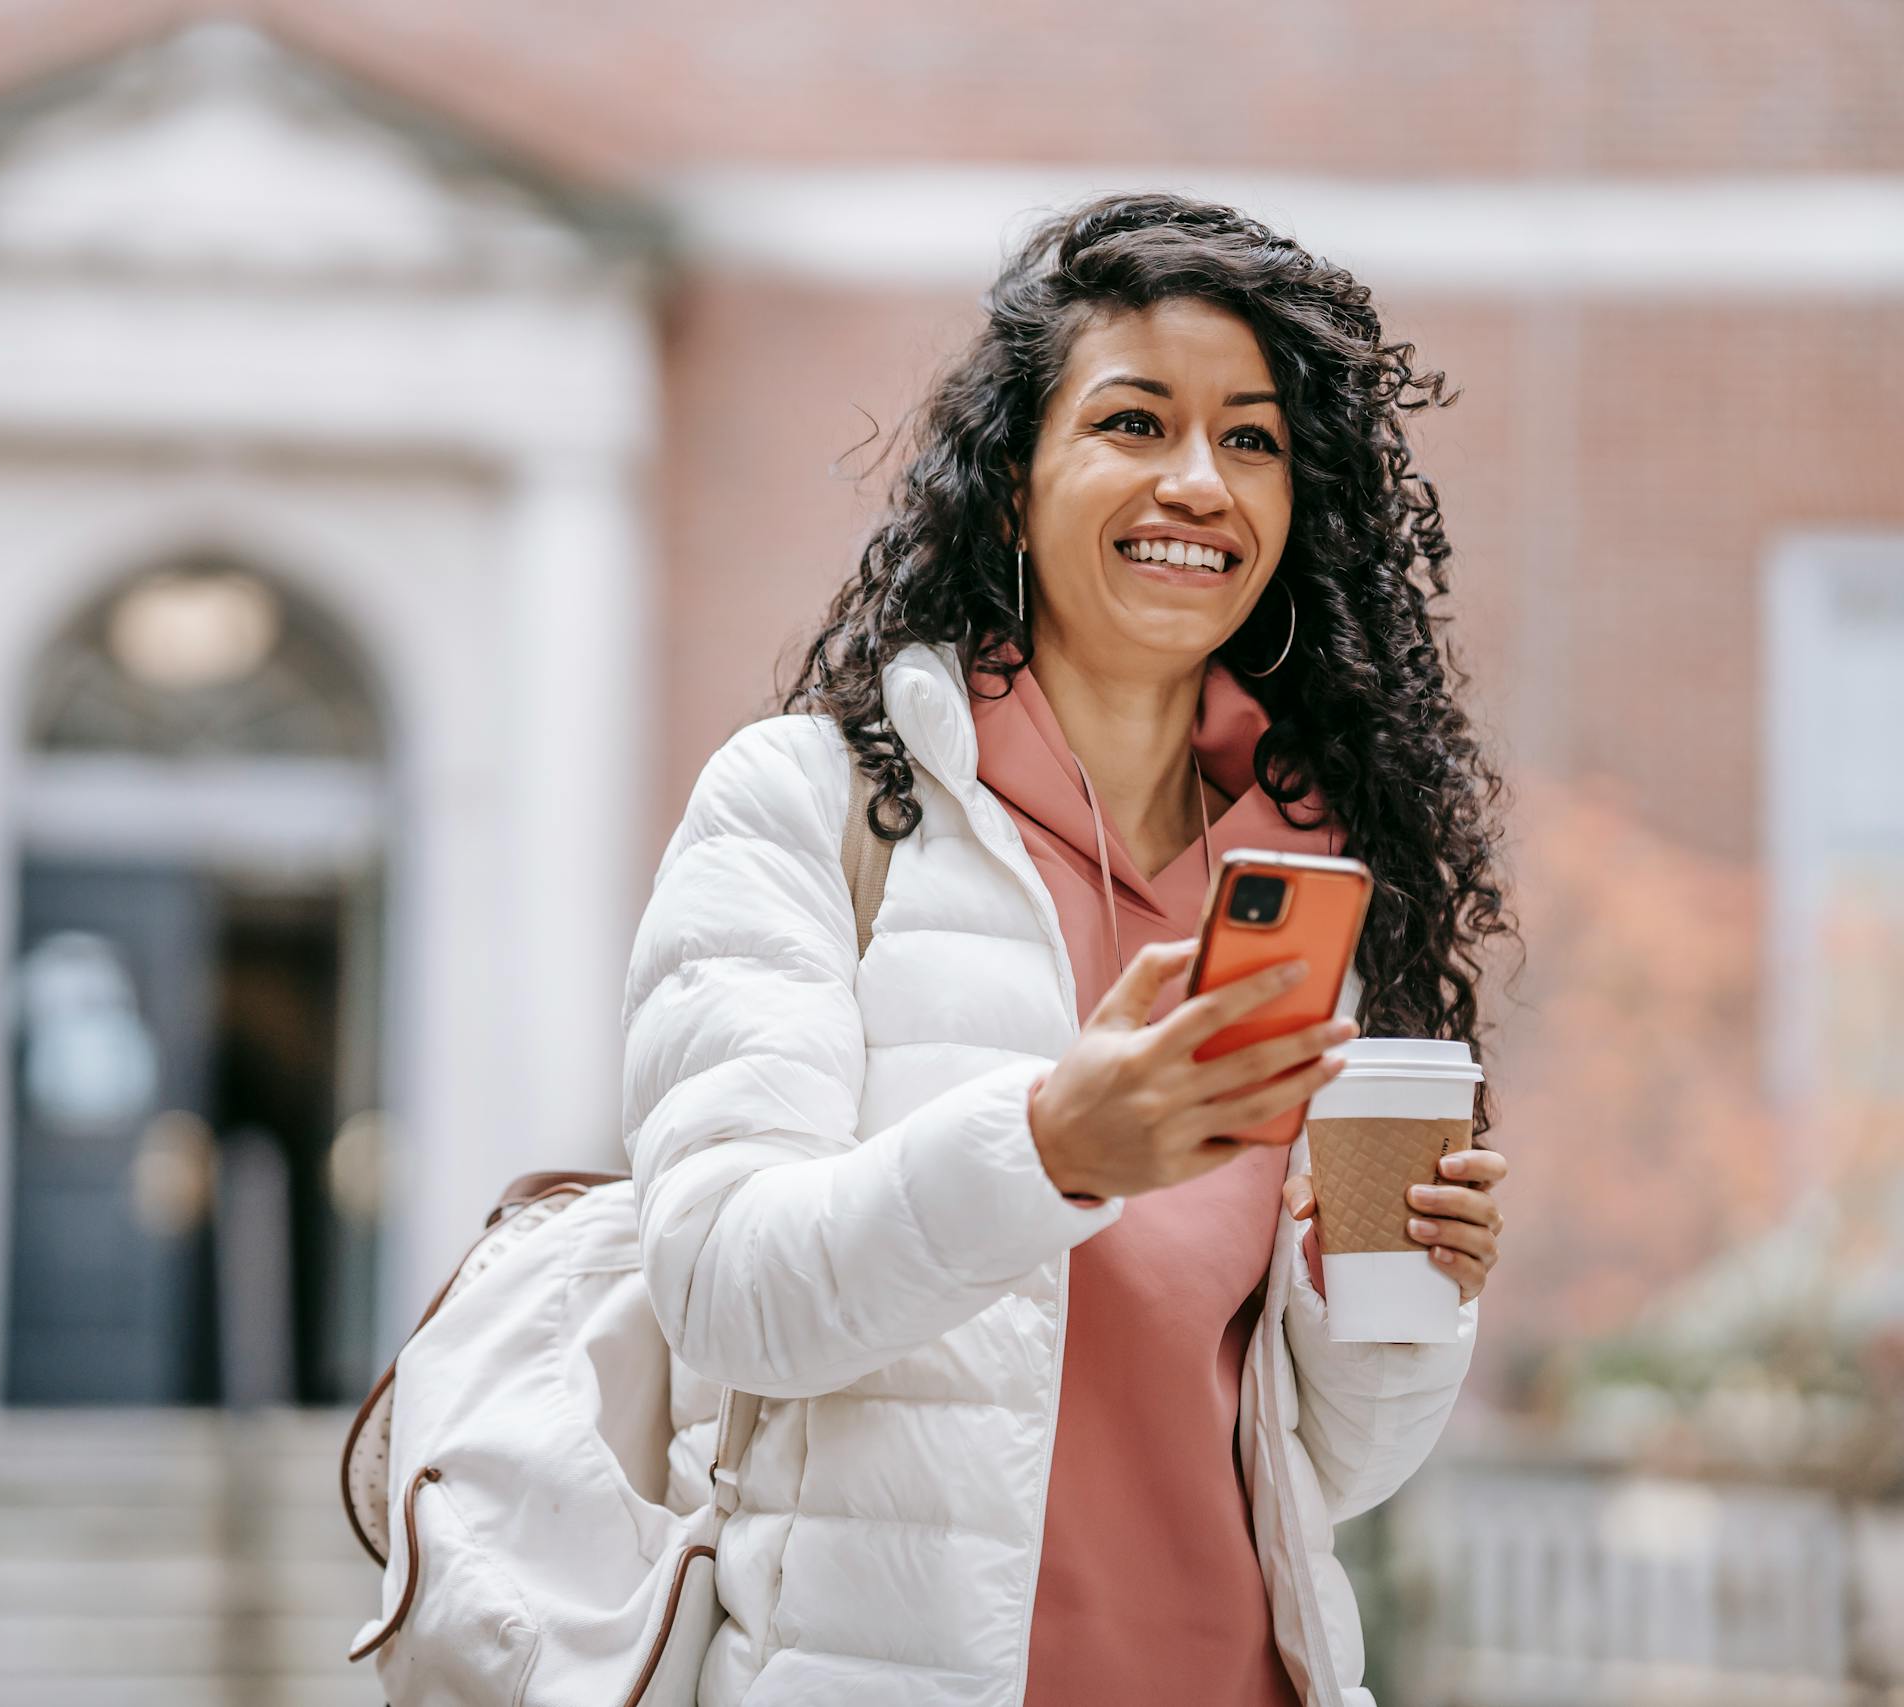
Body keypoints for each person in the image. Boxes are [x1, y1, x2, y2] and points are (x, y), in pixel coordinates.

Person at [619, 191, 1518, 1706]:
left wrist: (1396, 1292)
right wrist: (1050, 1146)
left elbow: (1336, 1470)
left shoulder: (1314, 869)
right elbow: (724, 1293)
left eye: (1252, 439)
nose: (1198, 483)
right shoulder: (813, 807)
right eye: (1133, 421)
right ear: (1012, 480)